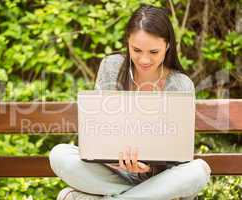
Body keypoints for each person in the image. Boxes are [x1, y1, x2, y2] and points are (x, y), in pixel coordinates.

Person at [49, 5, 211, 200]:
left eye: (153, 51)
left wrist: (149, 166)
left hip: (159, 180)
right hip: (112, 174)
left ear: (167, 46)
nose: (144, 59)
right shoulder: (111, 66)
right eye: (136, 50)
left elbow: (180, 158)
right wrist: (114, 160)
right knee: (59, 155)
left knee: (199, 171)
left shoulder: (181, 85)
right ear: (127, 43)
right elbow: (98, 131)